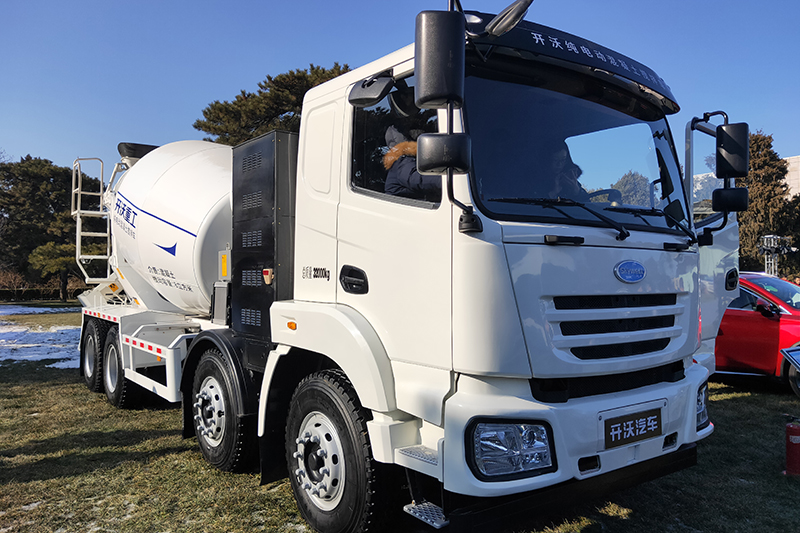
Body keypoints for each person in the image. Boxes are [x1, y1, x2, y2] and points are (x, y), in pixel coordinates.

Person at [383, 126, 442, 202]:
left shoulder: (400, 162)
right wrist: (444, 180)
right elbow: (418, 179)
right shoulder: (402, 163)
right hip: (403, 208)